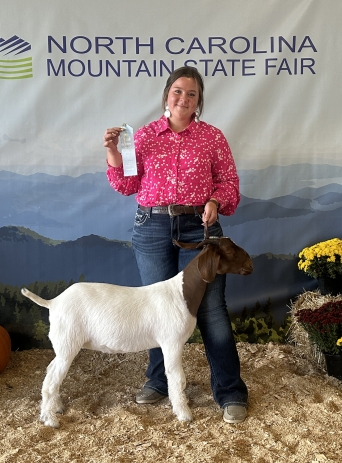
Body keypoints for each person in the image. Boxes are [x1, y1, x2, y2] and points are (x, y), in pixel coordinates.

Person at [102, 66, 248, 424]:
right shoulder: (147, 136)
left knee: (212, 310)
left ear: (199, 101)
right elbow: (125, 185)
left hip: (200, 228)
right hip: (151, 225)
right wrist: (112, 154)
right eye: (177, 91)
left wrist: (214, 201)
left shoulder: (212, 137)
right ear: (167, 94)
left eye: (192, 94)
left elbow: (229, 184)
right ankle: (157, 381)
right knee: (154, 307)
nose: (184, 98)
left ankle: (229, 391)